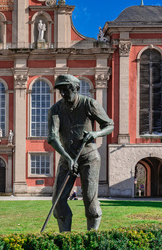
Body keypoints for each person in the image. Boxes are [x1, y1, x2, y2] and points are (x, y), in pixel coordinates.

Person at [47, 74, 114, 232]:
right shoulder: (55, 110)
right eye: (61, 90)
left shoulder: (89, 104)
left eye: (66, 89)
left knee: (90, 201)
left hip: (88, 157)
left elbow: (109, 125)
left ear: (76, 88)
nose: (63, 93)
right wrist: (68, 158)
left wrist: (95, 134)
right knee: (58, 202)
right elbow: (52, 138)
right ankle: (66, 238)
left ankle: (92, 237)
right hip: (66, 157)